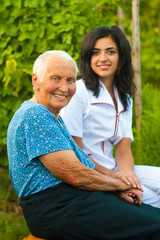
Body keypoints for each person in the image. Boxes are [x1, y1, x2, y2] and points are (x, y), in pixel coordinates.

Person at [7, 50, 160, 240]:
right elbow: (75, 174)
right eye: (56, 78)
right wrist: (118, 185)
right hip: (57, 209)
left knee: (151, 216)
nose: (64, 88)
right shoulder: (35, 115)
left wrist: (115, 182)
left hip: (74, 201)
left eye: (70, 80)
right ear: (35, 80)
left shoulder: (51, 117)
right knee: (154, 227)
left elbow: (80, 162)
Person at [61, 26, 160, 208]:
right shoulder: (78, 92)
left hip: (115, 169)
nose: (103, 59)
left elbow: (123, 149)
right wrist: (114, 180)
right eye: (95, 52)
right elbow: (75, 152)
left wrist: (127, 176)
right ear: (87, 57)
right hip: (92, 174)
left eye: (111, 52)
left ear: (121, 56)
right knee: (153, 200)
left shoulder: (125, 97)